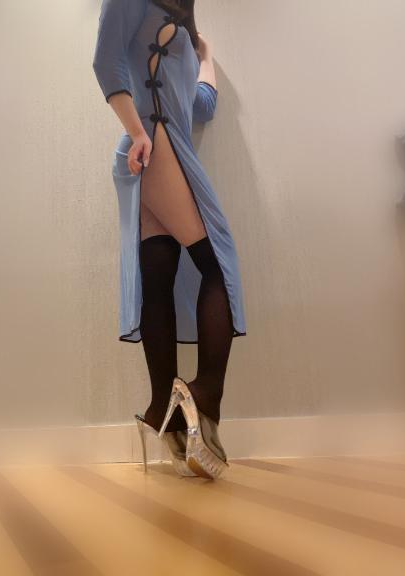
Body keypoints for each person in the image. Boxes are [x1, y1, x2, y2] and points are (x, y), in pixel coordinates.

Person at [92, 0, 246, 479]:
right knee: (218, 265)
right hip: (153, 144)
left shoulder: (182, 25)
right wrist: (137, 132)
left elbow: (202, 107)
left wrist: (206, 55)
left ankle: (163, 407)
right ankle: (205, 395)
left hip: (160, 145)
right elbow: (105, 60)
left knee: (159, 278)